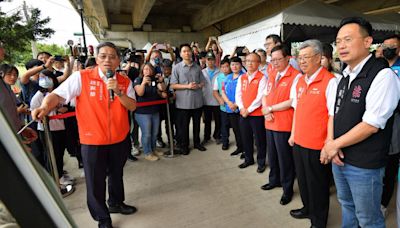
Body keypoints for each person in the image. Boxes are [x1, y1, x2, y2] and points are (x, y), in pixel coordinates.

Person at [31, 42, 137, 228]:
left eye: (112, 56)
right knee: (95, 181)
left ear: (118, 61)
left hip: (119, 139)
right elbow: (57, 95)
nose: (107, 60)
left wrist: (118, 92)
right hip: (93, 140)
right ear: (97, 59)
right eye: (103, 56)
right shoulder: (82, 77)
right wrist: (44, 107)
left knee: (116, 174)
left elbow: (132, 106)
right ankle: (102, 218)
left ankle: (116, 203)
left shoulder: (124, 81)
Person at [323, 17, 400, 228]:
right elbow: (333, 114)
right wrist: (331, 143)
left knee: (368, 218)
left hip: (364, 165)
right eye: (338, 41)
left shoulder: (383, 76)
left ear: (368, 42)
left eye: (348, 39)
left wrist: (333, 145)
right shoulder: (344, 77)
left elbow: (371, 124)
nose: (341, 45)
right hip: (339, 158)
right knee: (346, 205)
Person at [288, 39, 337, 228]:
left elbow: (333, 115)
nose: (302, 61)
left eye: (306, 57)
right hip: (299, 141)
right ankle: (307, 208)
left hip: (317, 144)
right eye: (300, 58)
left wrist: (328, 143)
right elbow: (297, 110)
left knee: (317, 185)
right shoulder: (300, 80)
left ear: (319, 58)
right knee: (303, 180)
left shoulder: (330, 81)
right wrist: (293, 134)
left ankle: (319, 221)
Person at [260, 45, 300, 206]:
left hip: (284, 124)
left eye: (278, 59)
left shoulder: (295, 76)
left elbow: (291, 101)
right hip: (269, 122)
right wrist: (265, 110)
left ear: (288, 58)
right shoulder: (271, 73)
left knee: (285, 159)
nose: (274, 62)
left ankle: (287, 189)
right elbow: (265, 94)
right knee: (273, 156)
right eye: (272, 59)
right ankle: (274, 180)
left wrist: (270, 108)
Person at [170, 44, 206, 155]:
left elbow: (203, 82)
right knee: (183, 127)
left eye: (188, 51)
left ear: (191, 52)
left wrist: (198, 85)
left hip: (197, 103)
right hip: (183, 104)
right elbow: (173, 85)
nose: (187, 53)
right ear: (181, 54)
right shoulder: (177, 67)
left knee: (197, 125)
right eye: (184, 51)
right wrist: (187, 86)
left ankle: (197, 143)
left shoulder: (197, 67)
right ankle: (184, 146)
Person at [235, 53, 267, 173]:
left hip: (256, 115)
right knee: (246, 137)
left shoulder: (262, 77)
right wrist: (242, 108)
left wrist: (249, 110)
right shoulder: (242, 77)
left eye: (253, 61)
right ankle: (248, 159)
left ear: (258, 63)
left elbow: (260, 97)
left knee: (259, 140)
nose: (249, 63)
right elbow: (238, 94)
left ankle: (261, 162)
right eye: (247, 61)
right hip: (243, 113)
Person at [381, 34, 400, 217]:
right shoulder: (379, 67)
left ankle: (384, 203)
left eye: (392, 46)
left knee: (390, 165)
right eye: (385, 45)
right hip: (378, 124)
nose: (388, 48)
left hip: (395, 122)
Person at [133, 63, 168, 161]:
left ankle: (153, 149)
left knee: (155, 132)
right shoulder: (138, 80)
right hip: (142, 112)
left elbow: (162, 89)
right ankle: (147, 152)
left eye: (149, 69)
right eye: (145, 69)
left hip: (155, 110)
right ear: (142, 71)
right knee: (147, 133)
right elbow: (140, 93)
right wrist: (143, 83)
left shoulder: (155, 79)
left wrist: (161, 81)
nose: (147, 71)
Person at [221, 57, 244, 157]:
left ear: (241, 65)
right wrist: (229, 103)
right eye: (232, 64)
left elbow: (245, 93)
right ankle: (240, 147)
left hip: (241, 108)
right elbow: (223, 91)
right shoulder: (227, 77)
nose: (234, 66)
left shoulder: (244, 76)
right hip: (230, 108)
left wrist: (236, 104)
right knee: (235, 129)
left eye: (236, 64)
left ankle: (246, 150)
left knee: (244, 130)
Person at [202, 51, 221, 145]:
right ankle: (206, 137)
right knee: (207, 121)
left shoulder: (220, 71)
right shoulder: (202, 72)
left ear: (215, 61)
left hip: (217, 100)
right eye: (208, 60)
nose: (210, 62)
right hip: (206, 100)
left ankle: (217, 136)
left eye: (212, 60)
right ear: (206, 60)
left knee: (218, 120)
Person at [213, 58, 231, 150]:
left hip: (234, 106)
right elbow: (215, 91)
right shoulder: (219, 77)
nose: (225, 69)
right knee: (224, 125)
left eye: (227, 66)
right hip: (223, 106)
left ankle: (241, 145)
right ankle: (225, 142)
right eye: (222, 67)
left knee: (237, 127)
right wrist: (219, 99)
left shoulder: (235, 76)